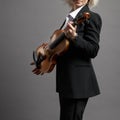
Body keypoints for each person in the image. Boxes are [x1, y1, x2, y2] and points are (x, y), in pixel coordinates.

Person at [32, 0, 102, 120]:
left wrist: (75, 37)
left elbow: (93, 50)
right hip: (65, 80)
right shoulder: (69, 18)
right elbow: (61, 50)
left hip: (78, 82)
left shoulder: (92, 17)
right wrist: (44, 60)